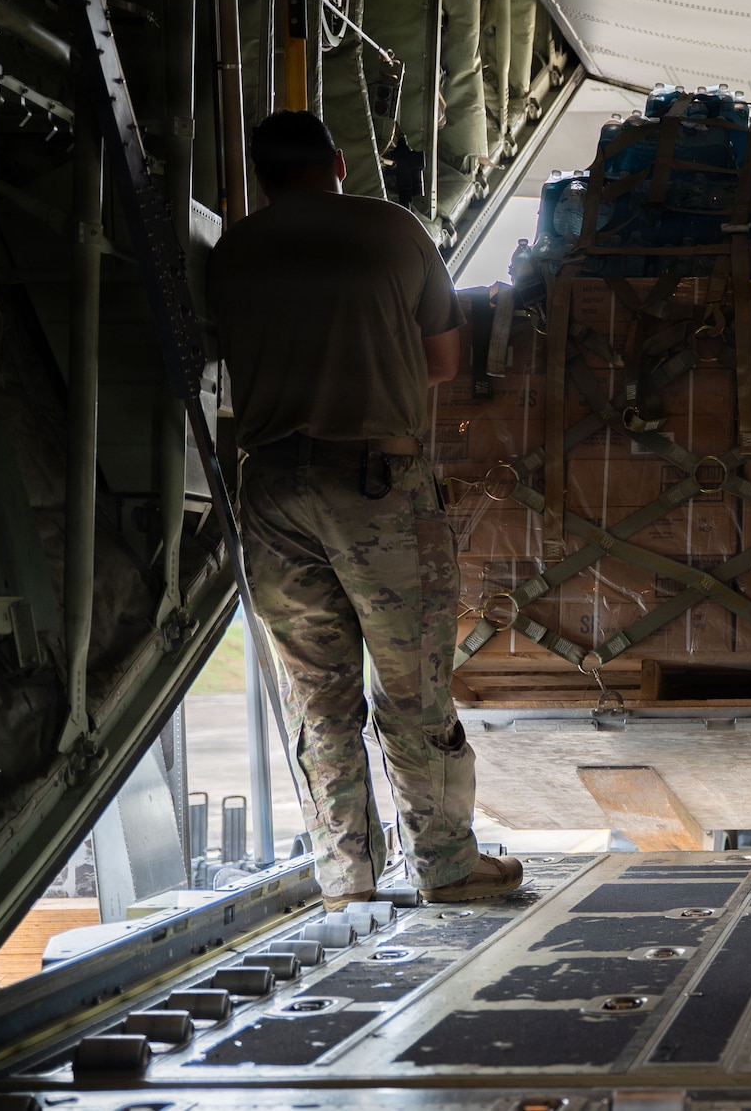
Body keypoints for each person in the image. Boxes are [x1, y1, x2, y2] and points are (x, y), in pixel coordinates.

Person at [207, 111, 520, 908]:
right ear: (339, 164)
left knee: (318, 690)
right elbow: (445, 359)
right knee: (411, 683)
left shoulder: (235, 249)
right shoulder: (393, 230)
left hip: (272, 488)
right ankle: (445, 864)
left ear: (259, 178)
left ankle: (345, 873)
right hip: (376, 484)